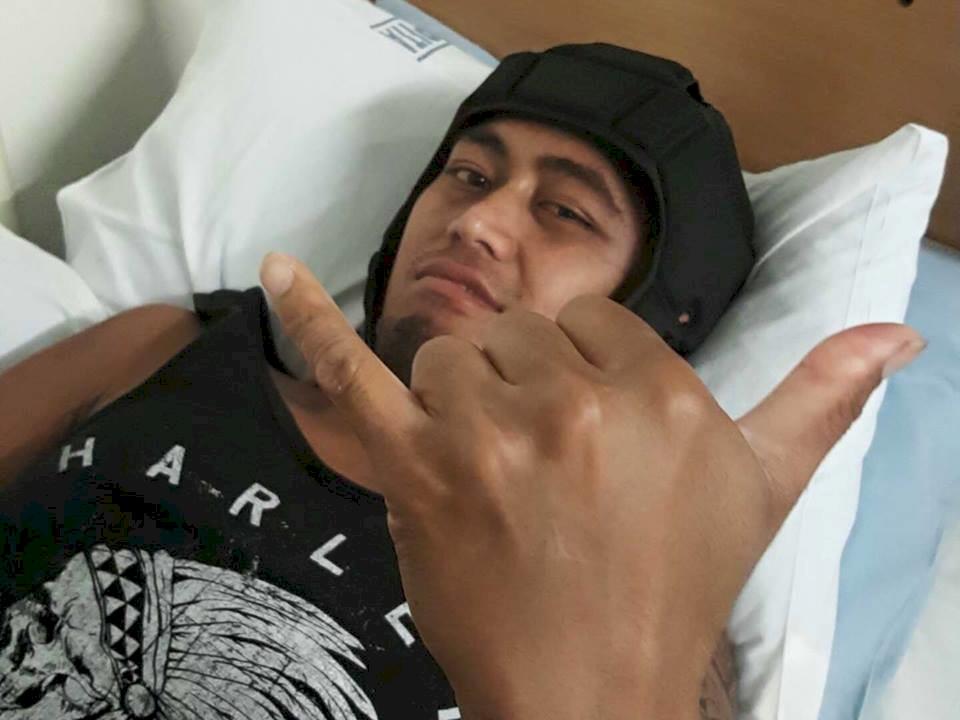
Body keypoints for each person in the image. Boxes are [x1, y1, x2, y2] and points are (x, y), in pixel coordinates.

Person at [0, 44, 924, 720]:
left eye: (564, 211)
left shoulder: (637, 603)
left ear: (648, 323)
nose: (478, 221)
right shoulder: (160, 348)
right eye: (469, 175)